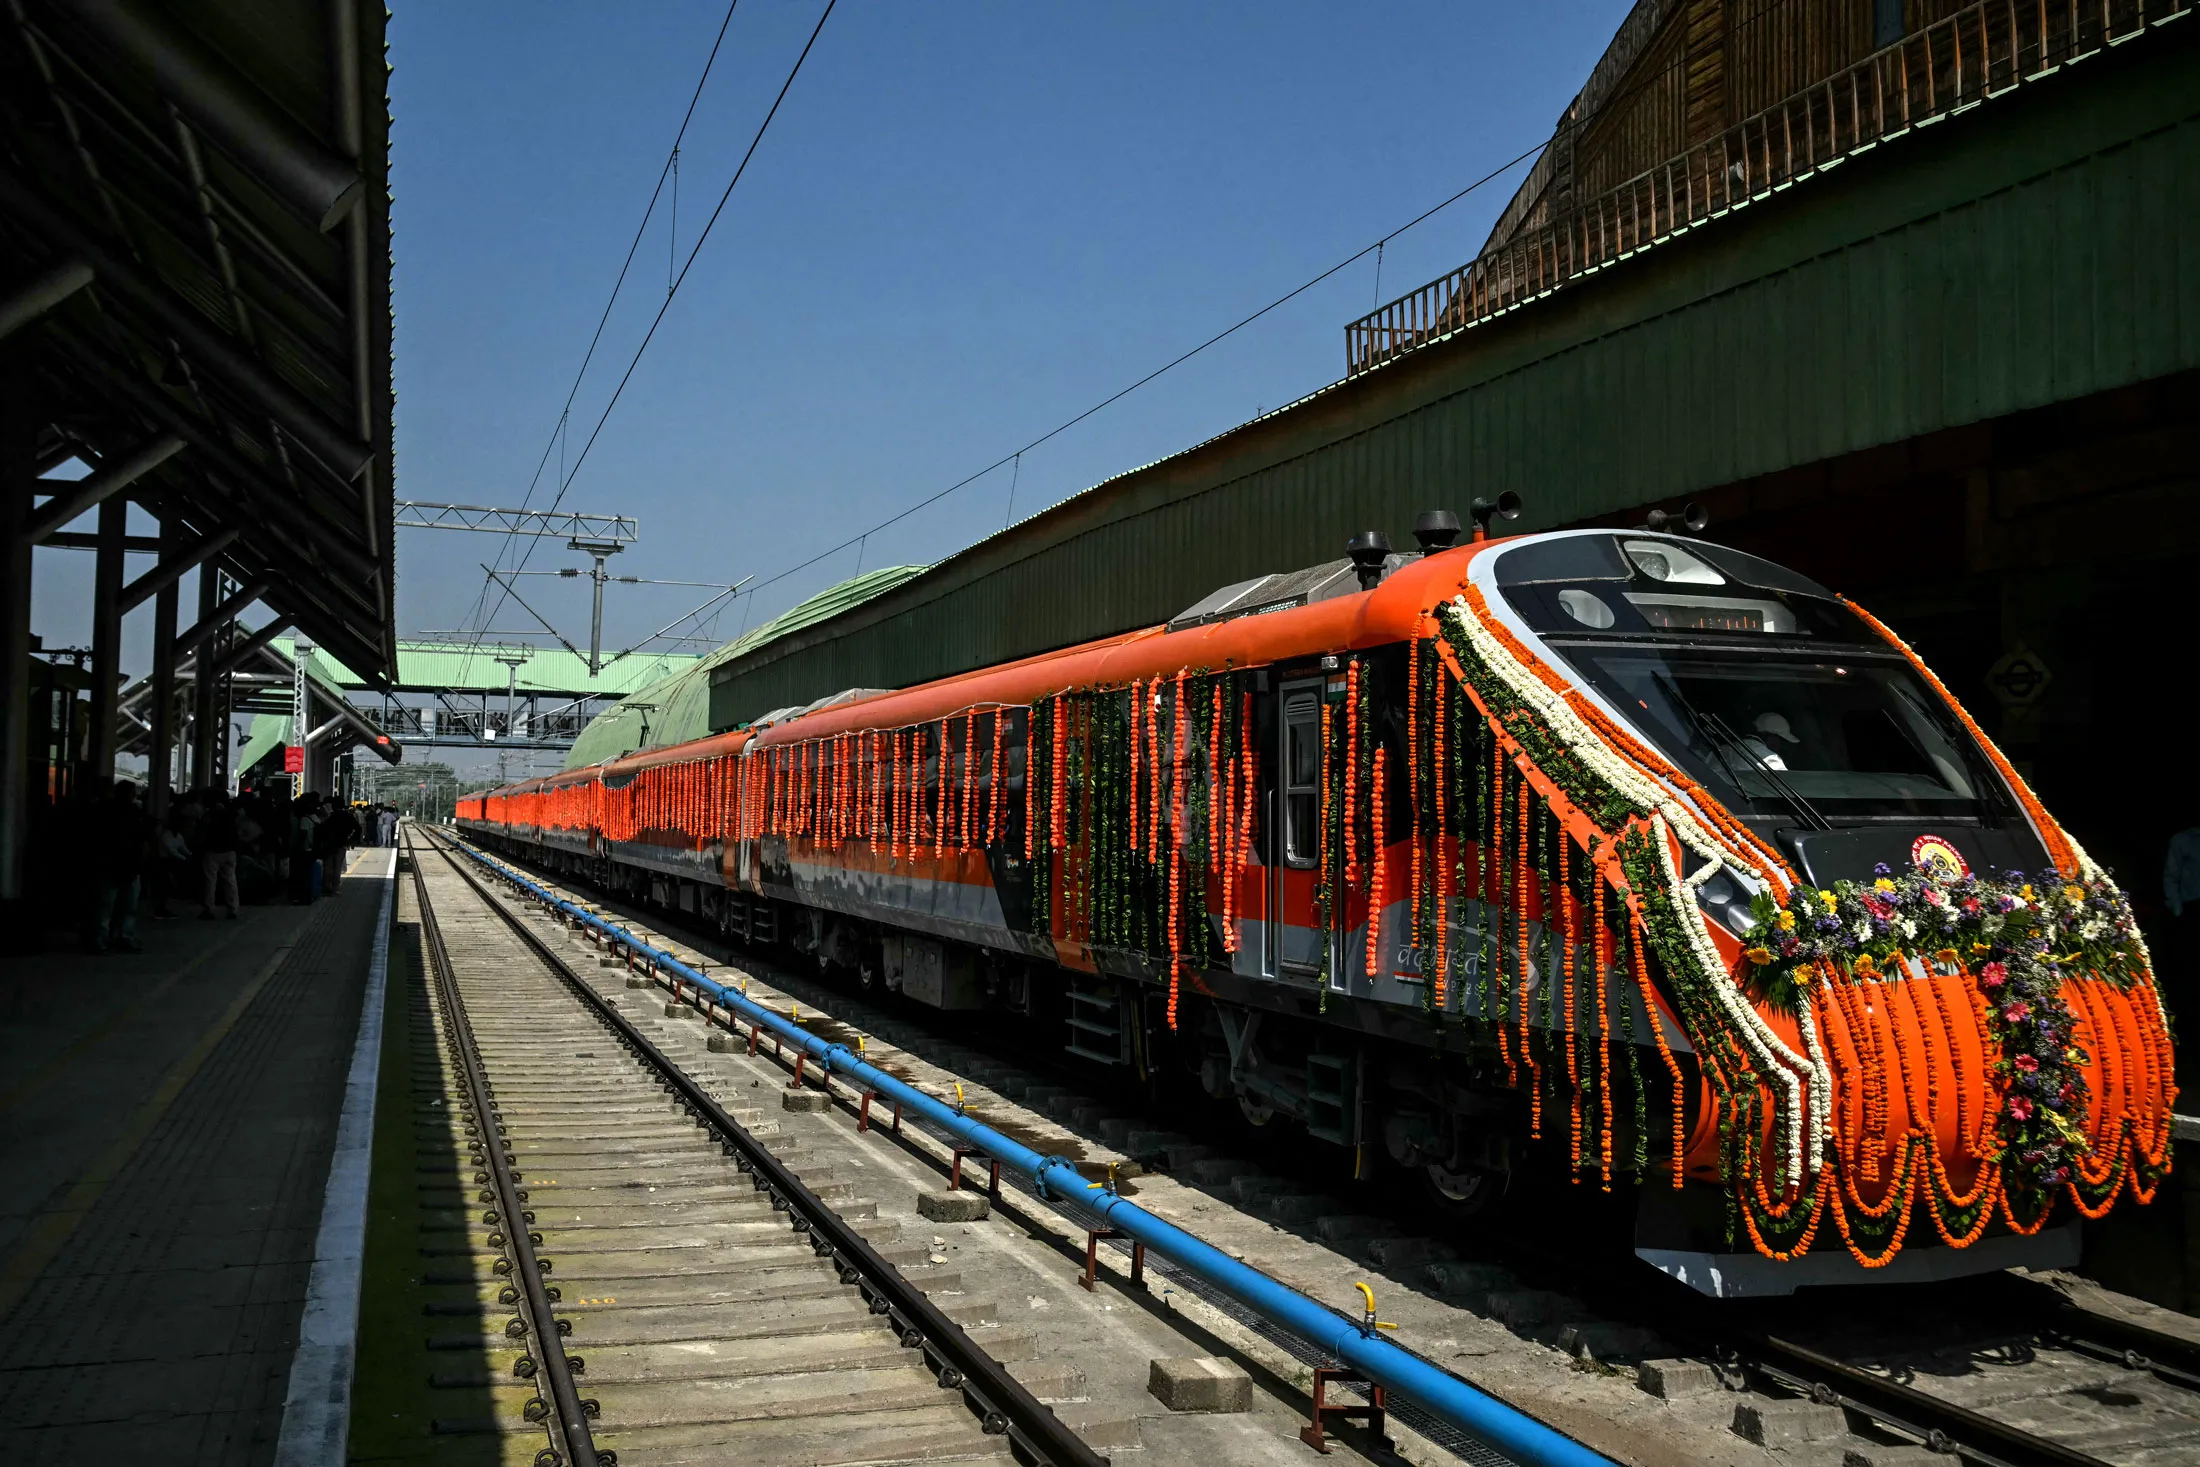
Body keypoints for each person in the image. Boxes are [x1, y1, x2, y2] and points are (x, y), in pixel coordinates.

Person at [86, 780, 151, 953]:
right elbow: (141, 840)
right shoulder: (134, 812)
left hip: (111, 865)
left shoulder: (102, 810)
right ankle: (122, 937)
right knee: (126, 906)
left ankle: (102, 939)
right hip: (125, 866)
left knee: (106, 906)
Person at [199, 791, 241, 919]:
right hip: (230, 851)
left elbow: (203, 830)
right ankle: (233, 909)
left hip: (213, 851)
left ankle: (210, 909)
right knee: (230, 880)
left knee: (210, 881)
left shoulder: (210, 814)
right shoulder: (232, 813)